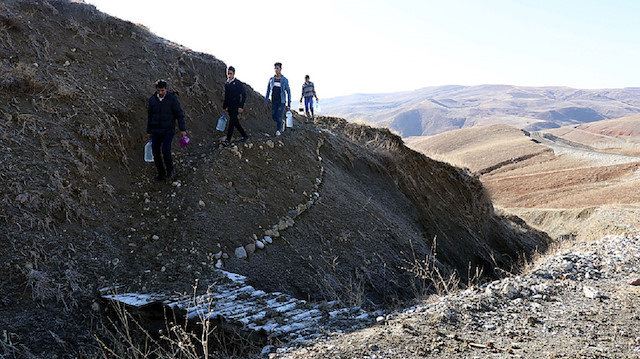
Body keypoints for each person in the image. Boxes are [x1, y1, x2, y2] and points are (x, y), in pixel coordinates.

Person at [147, 80, 187, 181]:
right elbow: (150, 116)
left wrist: (182, 129)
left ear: (166, 89)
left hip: (168, 131)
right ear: (156, 90)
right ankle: (161, 173)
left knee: (165, 150)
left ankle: (170, 171)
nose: (160, 93)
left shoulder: (172, 100)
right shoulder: (152, 100)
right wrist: (149, 131)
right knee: (155, 152)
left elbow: (179, 114)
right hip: (156, 131)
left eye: (162, 90)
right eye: (159, 90)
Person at [222, 66, 248, 146]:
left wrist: (241, 106)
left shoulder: (237, 83)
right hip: (229, 107)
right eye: (228, 74)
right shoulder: (227, 84)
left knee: (231, 123)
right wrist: (224, 107)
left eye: (230, 74)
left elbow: (244, 95)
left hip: (236, 106)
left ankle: (228, 140)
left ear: (234, 74)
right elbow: (226, 96)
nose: (229, 75)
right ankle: (245, 136)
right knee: (235, 123)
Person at [264, 62, 291, 136]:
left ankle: (278, 130)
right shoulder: (271, 79)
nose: (276, 70)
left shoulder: (284, 80)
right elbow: (268, 90)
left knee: (279, 115)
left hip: (281, 101)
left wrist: (289, 102)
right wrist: (266, 100)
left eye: (277, 68)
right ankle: (281, 122)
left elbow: (288, 91)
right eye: (275, 68)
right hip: (274, 100)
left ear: (281, 69)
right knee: (273, 115)